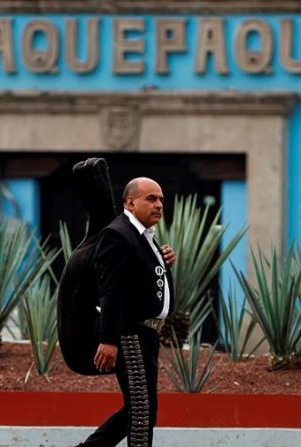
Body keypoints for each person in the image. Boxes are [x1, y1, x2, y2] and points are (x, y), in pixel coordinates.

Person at [75, 177, 176, 447]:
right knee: (141, 412)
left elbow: (138, 282)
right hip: (130, 334)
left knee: (138, 410)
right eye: (151, 199)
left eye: (161, 200)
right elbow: (111, 291)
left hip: (146, 335)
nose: (159, 205)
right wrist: (108, 340)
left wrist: (162, 263)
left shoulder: (143, 237)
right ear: (130, 202)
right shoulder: (118, 234)